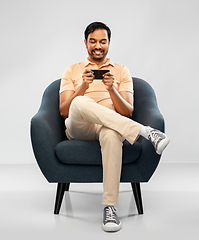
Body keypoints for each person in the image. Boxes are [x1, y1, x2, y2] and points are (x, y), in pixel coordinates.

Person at [59, 22, 170, 232]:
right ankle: (144, 131)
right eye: (93, 41)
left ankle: (110, 208)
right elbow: (64, 111)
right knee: (80, 102)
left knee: (111, 134)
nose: (98, 46)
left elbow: (126, 112)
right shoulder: (72, 70)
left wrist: (112, 90)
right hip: (79, 127)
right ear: (85, 43)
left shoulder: (120, 71)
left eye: (103, 41)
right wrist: (83, 86)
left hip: (109, 126)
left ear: (109, 43)